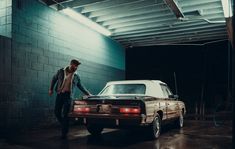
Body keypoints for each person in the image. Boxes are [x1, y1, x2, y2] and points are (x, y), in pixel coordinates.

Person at [49, 59, 92, 139]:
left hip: (68, 97)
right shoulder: (61, 71)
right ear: (71, 64)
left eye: (77, 66)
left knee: (65, 114)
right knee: (57, 112)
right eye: (75, 65)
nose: (76, 67)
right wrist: (51, 89)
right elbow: (54, 79)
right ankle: (64, 125)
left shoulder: (76, 76)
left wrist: (88, 93)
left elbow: (80, 86)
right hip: (60, 94)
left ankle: (64, 132)